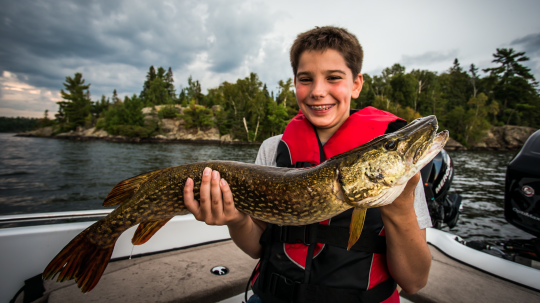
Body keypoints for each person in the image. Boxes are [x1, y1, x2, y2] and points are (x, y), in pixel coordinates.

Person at [184, 26, 432, 303]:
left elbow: (414, 282)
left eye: (334, 78)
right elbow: (257, 247)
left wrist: (400, 208)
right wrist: (236, 220)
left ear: (356, 84)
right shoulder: (273, 149)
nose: (318, 91)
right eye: (306, 79)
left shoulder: (398, 168)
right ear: (295, 84)